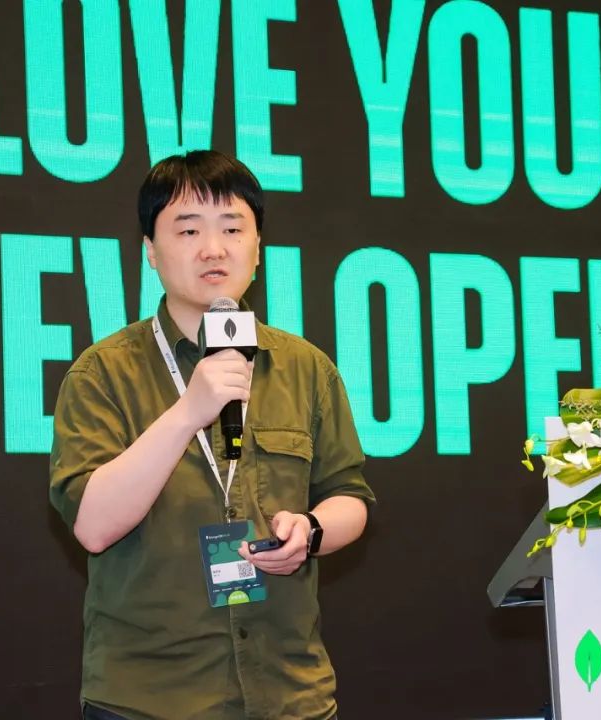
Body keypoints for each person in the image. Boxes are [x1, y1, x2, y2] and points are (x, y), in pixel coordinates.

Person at [50, 149, 374, 720]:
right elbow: (93, 527)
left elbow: (351, 497)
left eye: (232, 228)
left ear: (258, 248)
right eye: (188, 229)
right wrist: (187, 413)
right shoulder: (102, 373)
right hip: (151, 698)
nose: (213, 248)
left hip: (288, 693)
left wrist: (311, 530)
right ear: (150, 251)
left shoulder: (306, 367)